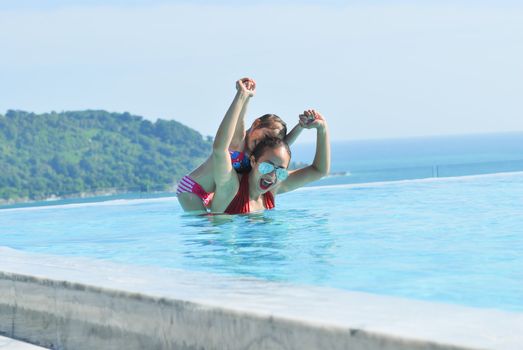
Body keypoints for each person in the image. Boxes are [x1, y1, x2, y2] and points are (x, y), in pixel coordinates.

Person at [177, 78, 304, 213]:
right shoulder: (239, 141)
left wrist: (300, 126)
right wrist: (243, 95)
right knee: (205, 228)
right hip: (192, 189)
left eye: (268, 141)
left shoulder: (257, 153)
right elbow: (239, 117)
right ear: (256, 124)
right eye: (265, 136)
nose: (263, 142)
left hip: (212, 192)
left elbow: (280, 148)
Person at [207, 79, 330, 214]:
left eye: (280, 171)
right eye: (267, 166)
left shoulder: (273, 188)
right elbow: (220, 149)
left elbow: (319, 171)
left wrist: (322, 129)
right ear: (253, 161)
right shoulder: (230, 187)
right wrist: (241, 96)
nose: (272, 174)